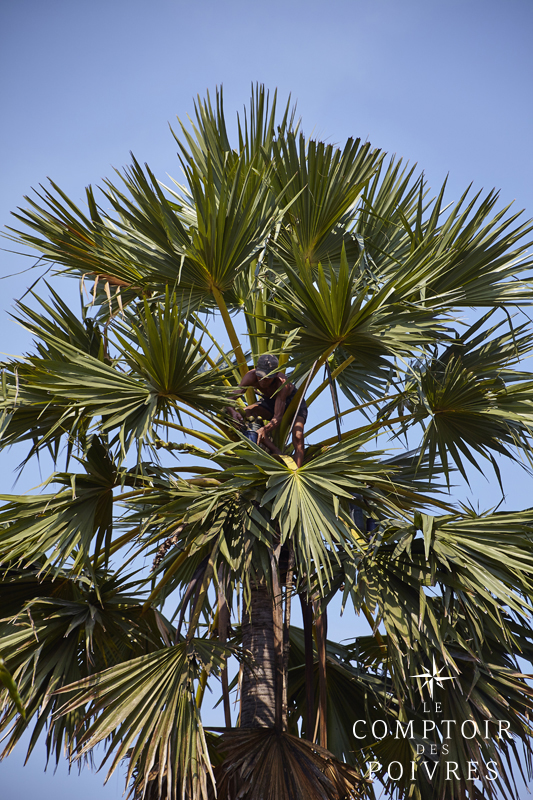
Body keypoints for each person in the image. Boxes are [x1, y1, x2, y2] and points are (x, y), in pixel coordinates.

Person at [227, 354, 308, 468]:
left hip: (293, 404)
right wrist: (232, 411)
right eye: (260, 376)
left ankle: (297, 471)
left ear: (275, 375)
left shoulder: (282, 384)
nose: (263, 381)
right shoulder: (251, 376)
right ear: (256, 369)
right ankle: (276, 451)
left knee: (298, 435)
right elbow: (229, 399)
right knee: (246, 412)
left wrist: (265, 429)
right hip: (270, 401)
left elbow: (278, 417)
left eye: (268, 377)